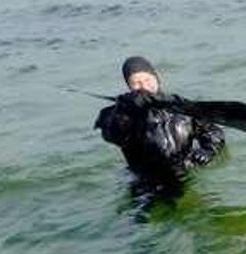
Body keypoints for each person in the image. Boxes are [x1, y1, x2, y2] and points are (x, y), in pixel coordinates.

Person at [94, 56, 226, 192]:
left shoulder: (182, 107)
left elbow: (213, 131)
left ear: (157, 78)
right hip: (143, 180)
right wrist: (125, 111)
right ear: (129, 86)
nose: (144, 86)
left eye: (147, 80)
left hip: (184, 171)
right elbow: (113, 135)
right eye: (136, 83)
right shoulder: (122, 114)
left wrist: (208, 150)